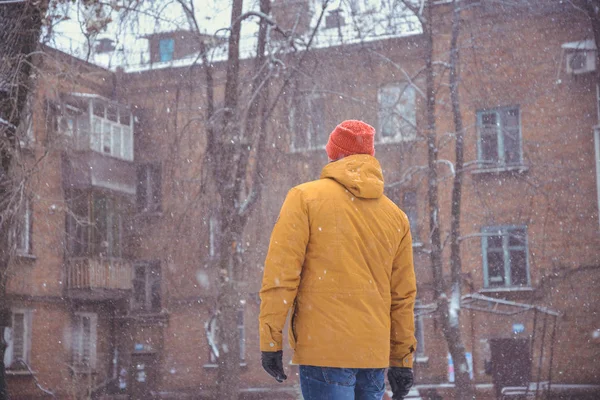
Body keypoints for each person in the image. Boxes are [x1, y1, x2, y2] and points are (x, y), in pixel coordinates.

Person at [259, 120, 417, 400]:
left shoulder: (304, 198)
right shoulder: (396, 217)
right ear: (370, 156)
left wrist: (271, 341)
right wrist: (402, 359)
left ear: (333, 155)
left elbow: (281, 276)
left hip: (324, 350)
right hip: (372, 356)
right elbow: (402, 297)